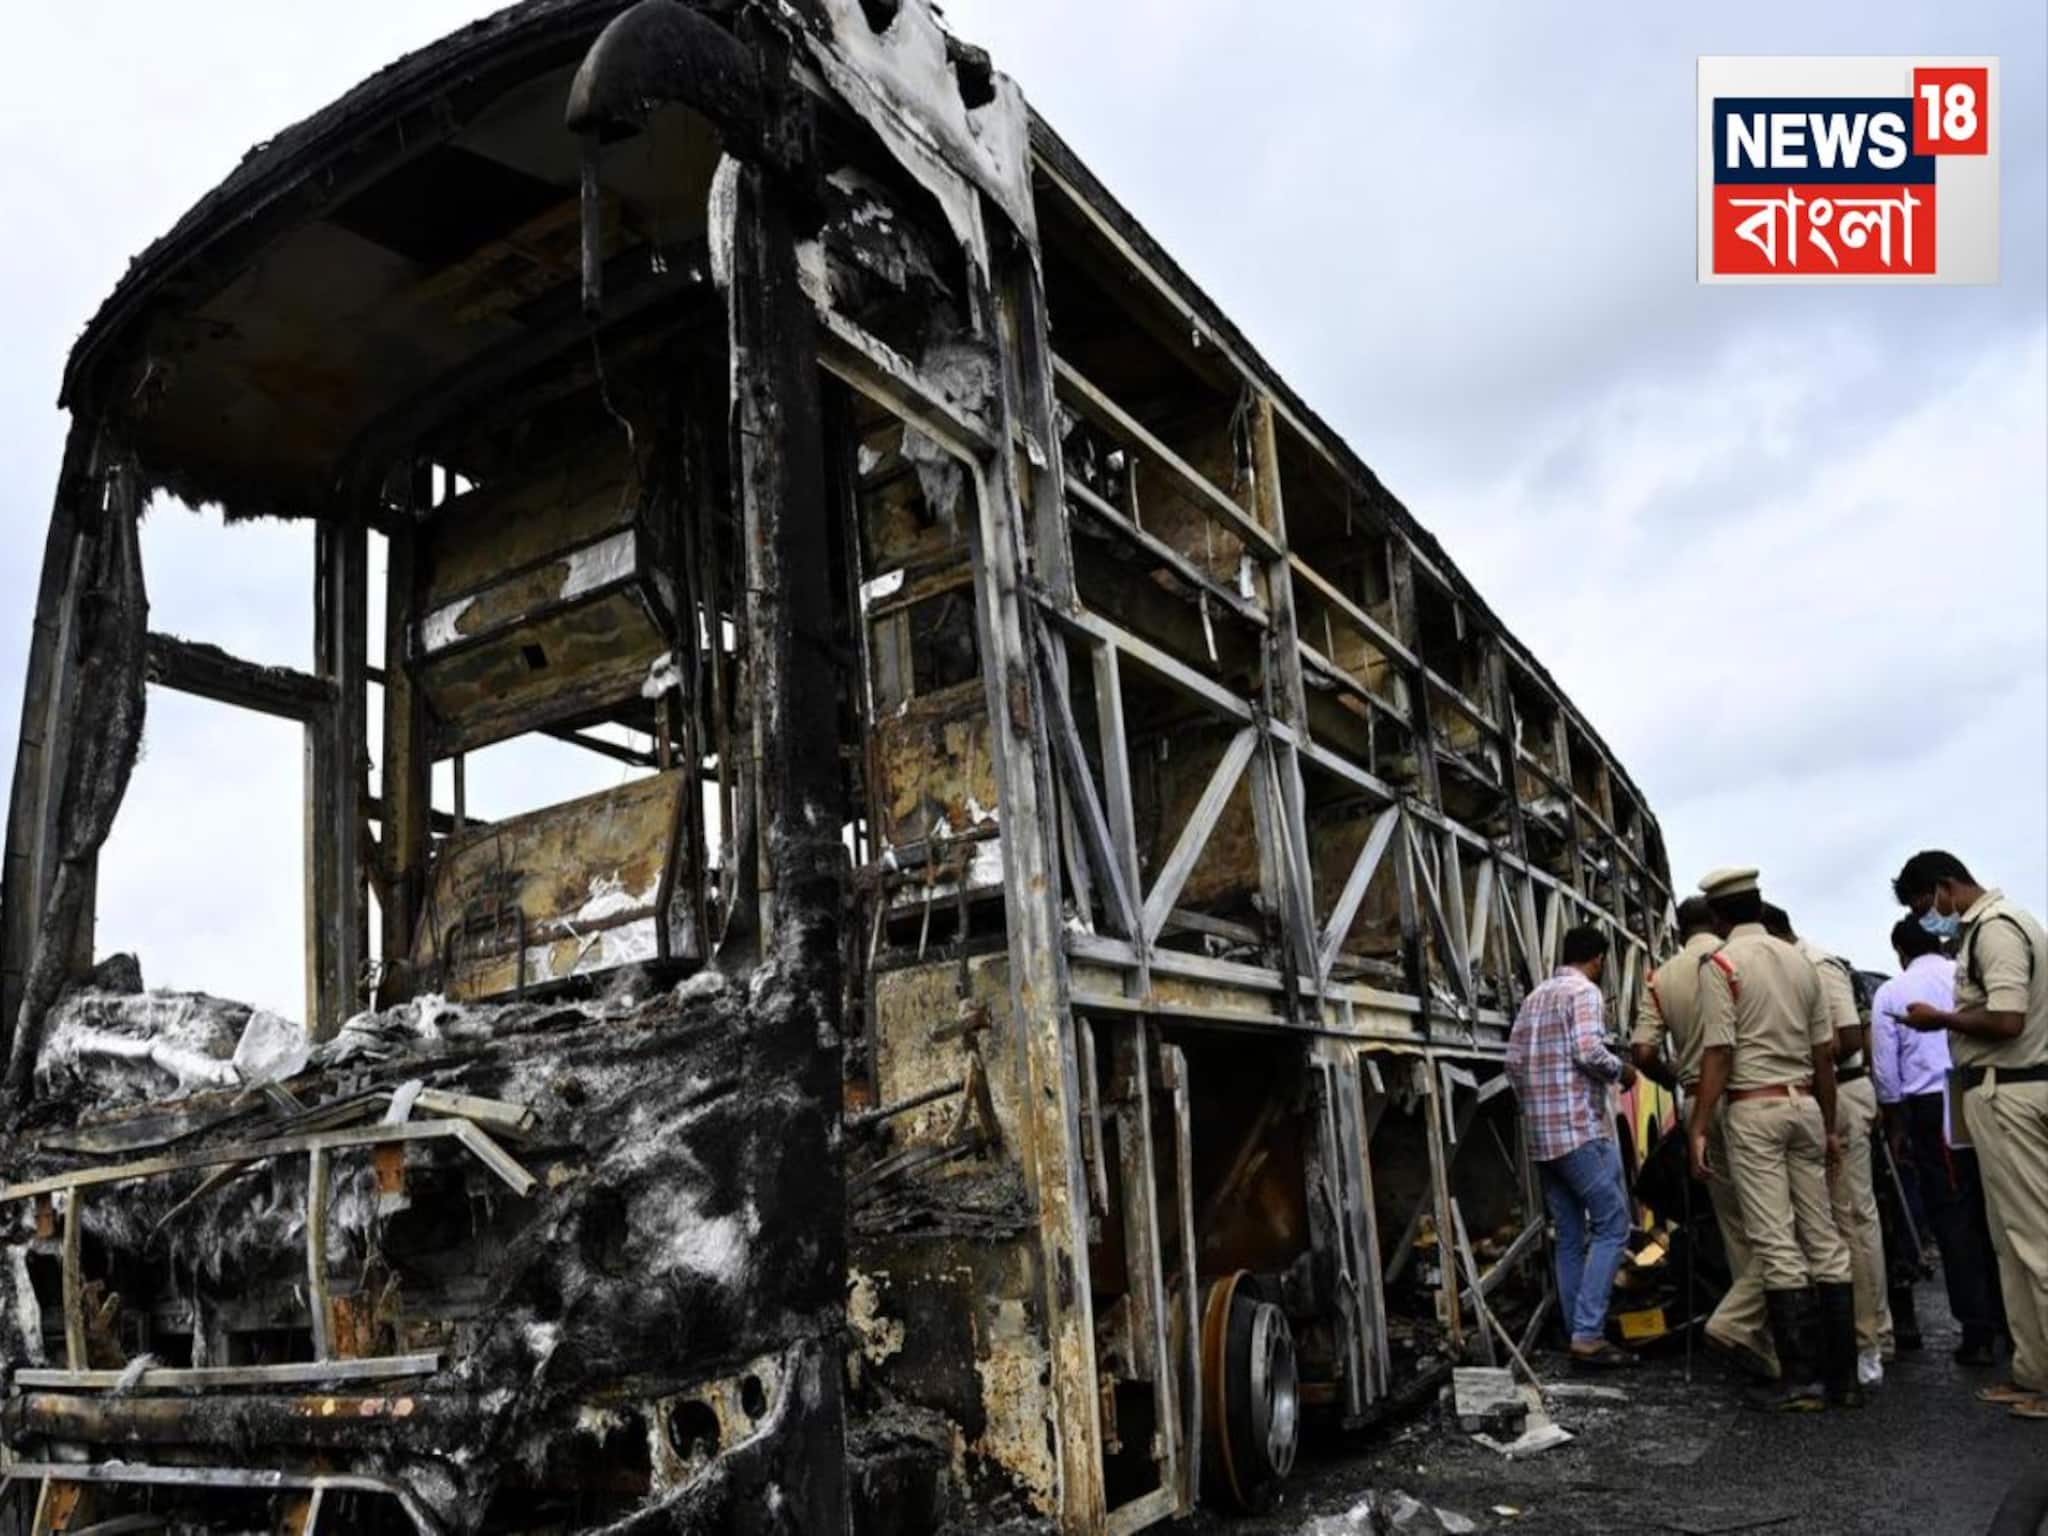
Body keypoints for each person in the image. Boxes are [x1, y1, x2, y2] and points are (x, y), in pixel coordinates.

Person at [1686, 867, 1859, 1410]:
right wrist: (1828, 1125)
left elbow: (1719, 1050)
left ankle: (1802, 1381)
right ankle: (1844, 1382)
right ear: (1760, 907)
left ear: (1718, 918)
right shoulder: (1803, 964)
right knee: (1825, 1240)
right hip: (1806, 1105)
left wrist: (1698, 1124)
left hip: (1754, 1110)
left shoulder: (1722, 964)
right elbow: (1823, 1056)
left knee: (1777, 1243)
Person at [1893, 851, 2048, 1423]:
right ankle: (2033, 1373)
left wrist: (1942, 1020)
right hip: (1997, 1090)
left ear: (1943, 888)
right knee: (2011, 1242)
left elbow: (2007, 1019)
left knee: (2035, 1242)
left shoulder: (1997, 929)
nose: (1930, 918)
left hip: (2012, 1090)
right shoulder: (1992, 927)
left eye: (1923, 905)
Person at [1633, 896, 1777, 1381]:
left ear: (1677, 932)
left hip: (1698, 1100)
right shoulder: (1743, 959)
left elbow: (1642, 1050)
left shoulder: (1662, 976)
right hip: (1751, 1094)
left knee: (1735, 1225)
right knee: (1779, 1219)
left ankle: (1754, 1335)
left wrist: (1677, 1075)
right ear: (1718, 922)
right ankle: (1757, 1323)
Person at [1762, 903, 1892, 1383]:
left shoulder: (1816, 963)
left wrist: (1793, 1052)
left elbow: (1848, 1036)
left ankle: (1870, 1337)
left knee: (1851, 1220)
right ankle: (1859, 1335)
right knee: (1832, 1222)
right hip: (1818, 1095)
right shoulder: (1794, 964)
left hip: (1838, 1092)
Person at [1870, 915, 2006, 1365]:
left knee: (1953, 1217)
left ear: (1900, 952)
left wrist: (1894, 1125)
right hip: (1978, 1090)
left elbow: (1887, 1074)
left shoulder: (1893, 991)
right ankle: (2013, 1322)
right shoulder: (1965, 977)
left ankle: (1977, 1330)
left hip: (1930, 1108)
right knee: (1996, 1209)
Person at [1507, 922, 1637, 1369]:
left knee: (1569, 1234)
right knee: (1613, 1223)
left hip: (1542, 1137)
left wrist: (1537, 1106)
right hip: (1579, 1131)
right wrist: (1623, 1070)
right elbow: (1588, 1051)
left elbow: (1513, 1062)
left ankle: (1575, 1325)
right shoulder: (1585, 993)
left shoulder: (1535, 997)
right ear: (1598, 960)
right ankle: (1588, 1334)